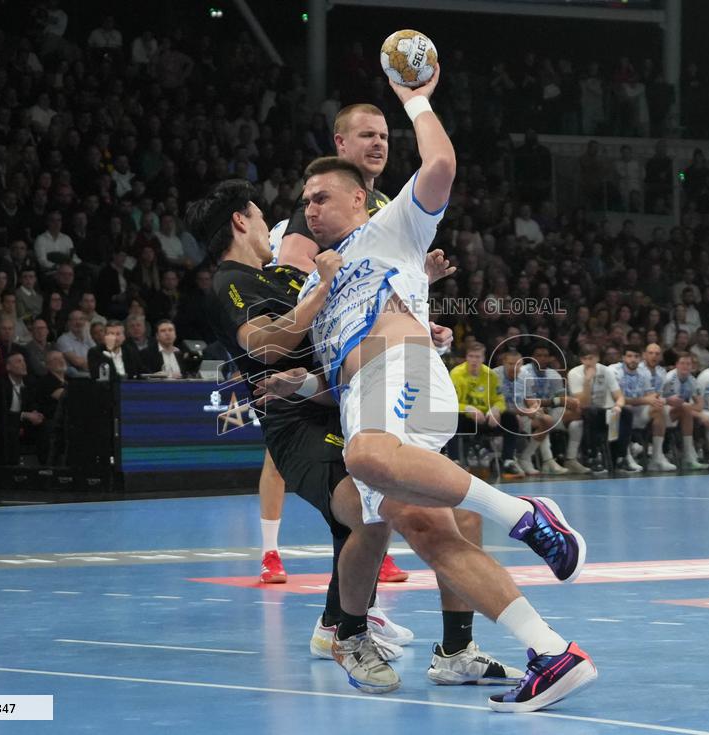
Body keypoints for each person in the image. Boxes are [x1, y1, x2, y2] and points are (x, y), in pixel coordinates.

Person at [290, 67, 594, 711]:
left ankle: (527, 517)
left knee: (364, 458)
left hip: (395, 379)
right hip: (369, 393)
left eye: (320, 197)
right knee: (421, 530)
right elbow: (330, 350)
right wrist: (303, 373)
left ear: (356, 201)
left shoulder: (388, 226)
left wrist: (416, 101)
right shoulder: (322, 279)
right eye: (306, 199)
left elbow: (442, 165)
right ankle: (551, 653)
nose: (309, 207)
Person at [190, 178, 522, 689]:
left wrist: (416, 308)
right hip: (299, 427)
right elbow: (268, 347)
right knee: (376, 513)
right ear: (240, 220)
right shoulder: (230, 282)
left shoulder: (284, 275)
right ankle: (347, 633)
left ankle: (454, 649)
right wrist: (322, 286)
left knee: (447, 514)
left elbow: (348, 325)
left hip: (342, 405)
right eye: (259, 216)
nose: (268, 226)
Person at [259, 102, 403, 584]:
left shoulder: (382, 206)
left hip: (358, 352)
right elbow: (291, 271)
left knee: (364, 464)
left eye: (383, 135)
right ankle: (271, 551)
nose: (378, 143)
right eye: (366, 135)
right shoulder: (324, 201)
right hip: (315, 348)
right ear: (340, 143)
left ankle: (356, 594)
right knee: (295, 458)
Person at [447, 342, 524, 477]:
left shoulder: (490, 375)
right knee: (450, 418)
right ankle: (455, 460)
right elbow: (450, 403)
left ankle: (508, 460)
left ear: (483, 358)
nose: (474, 360)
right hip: (466, 418)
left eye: (477, 357)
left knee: (511, 419)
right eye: (471, 356)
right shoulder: (456, 374)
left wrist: (495, 410)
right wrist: (468, 409)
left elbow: (500, 400)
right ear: (466, 357)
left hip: (486, 418)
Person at [566, 343, 631, 472]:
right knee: (591, 412)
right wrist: (587, 381)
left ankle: (620, 457)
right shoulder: (574, 373)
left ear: (598, 358)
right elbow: (583, 403)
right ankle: (593, 456)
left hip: (604, 410)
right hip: (583, 411)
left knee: (625, 413)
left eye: (592, 358)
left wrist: (618, 405)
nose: (589, 362)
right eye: (585, 359)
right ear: (581, 360)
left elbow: (619, 396)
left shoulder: (606, 371)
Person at [612, 345, 676, 471]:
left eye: (636, 357)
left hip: (639, 412)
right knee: (625, 410)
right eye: (629, 356)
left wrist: (658, 400)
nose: (633, 360)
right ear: (623, 358)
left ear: (640, 358)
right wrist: (644, 400)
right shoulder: (614, 371)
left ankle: (657, 458)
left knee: (658, 409)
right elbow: (617, 399)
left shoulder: (644, 372)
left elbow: (649, 395)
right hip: (618, 414)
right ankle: (626, 457)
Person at [513, 343, 571, 475]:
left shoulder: (553, 374)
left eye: (545, 356)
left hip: (545, 409)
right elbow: (524, 400)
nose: (542, 359)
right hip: (525, 411)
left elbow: (562, 398)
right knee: (545, 419)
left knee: (574, 415)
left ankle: (565, 460)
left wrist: (550, 403)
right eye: (538, 355)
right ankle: (547, 460)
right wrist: (544, 404)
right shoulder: (524, 371)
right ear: (532, 357)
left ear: (550, 358)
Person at [661, 352, 709, 470]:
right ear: (676, 365)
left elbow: (699, 405)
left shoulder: (692, 380)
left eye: (688, 364)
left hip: (682, 412)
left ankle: (697, 455)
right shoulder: (669, 379)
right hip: (663, 412)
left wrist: (694, 411)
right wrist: (694, 411)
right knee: (691, 412)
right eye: (682, 363)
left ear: (692, 366)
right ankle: (689, 456)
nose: (685, 366)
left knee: (699, 415)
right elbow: (670, 402)